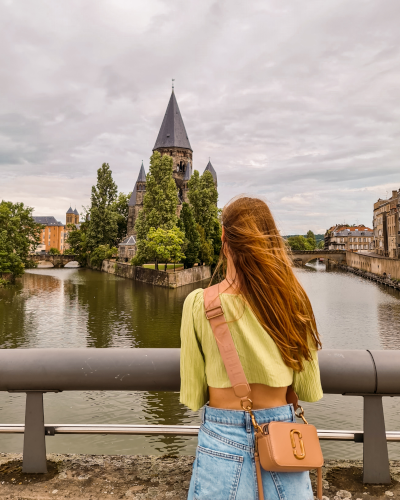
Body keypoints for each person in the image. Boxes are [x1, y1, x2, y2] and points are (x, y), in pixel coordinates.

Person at [180, 196, 323, 500]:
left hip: (221, 443)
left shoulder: (199, 304)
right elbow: (309, 391)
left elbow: (192, 396)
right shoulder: (294, 302)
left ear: (224, 239)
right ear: (271, 240)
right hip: (284, 444)